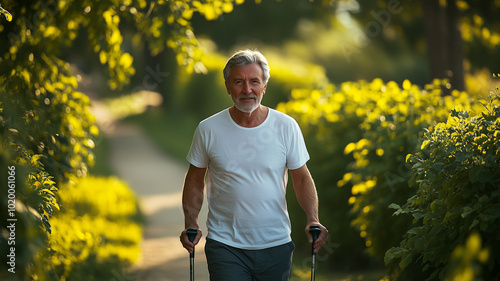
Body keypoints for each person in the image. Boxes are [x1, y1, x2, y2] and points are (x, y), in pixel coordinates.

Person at [180, 49, 328, 281]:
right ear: (228, 87)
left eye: (254, 82)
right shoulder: (208, 129)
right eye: (238, 82)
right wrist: (191, 222)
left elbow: (301, 178)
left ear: (264, 86)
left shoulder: (286, 126)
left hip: (276, 244)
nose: (247, 90)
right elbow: (195, 179)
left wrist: (313, 218)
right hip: (225, 245)